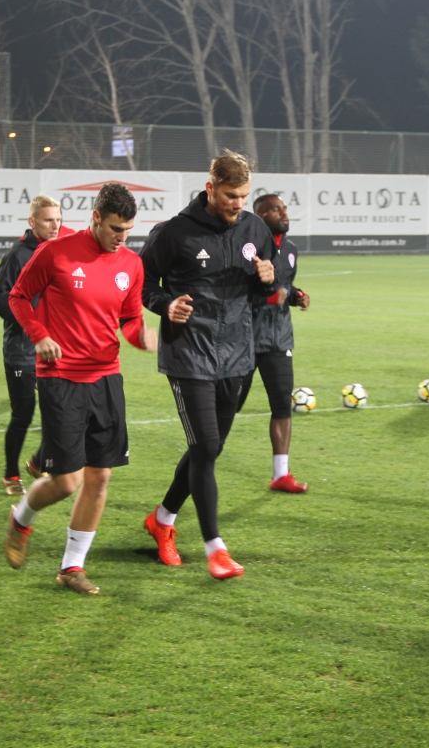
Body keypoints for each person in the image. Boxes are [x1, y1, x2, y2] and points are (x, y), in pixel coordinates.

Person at [2, 183, 154, 595]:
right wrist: (38, 335)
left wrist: (142, 336)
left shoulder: (132, 264)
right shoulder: (55, 253)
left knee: (100, 477)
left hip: (107, 378)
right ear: (96, 218)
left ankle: (72, 567)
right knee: (66, 481)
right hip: (61, 378)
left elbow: (129, 318)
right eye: (115, 228)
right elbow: (18, 297)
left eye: (128, 230)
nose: (122, 237)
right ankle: (20, 519)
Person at [140, 151, 277, 580]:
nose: (239, 204)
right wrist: (166, 304)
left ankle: (162, 520)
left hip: (237, 354)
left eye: (244, 196)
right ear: (210, 188)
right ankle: (215, 548)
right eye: (232, 196)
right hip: (188, 352)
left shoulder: (255, 229)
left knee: (210, 448)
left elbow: (263, 289)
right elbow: (143, 284)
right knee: (204, 446)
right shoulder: (173, 233)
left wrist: (268, 279)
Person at [0, 195, 68, 496]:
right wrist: (30, 320)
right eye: (48, 220)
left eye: (58, 219)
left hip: (54, 349)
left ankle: (38, 462)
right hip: (22, 350)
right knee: (23, 414)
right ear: (33, 222)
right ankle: (11, 475)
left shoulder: (61, 251)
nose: (54, 225)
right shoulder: (18, 255)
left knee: (62, 410)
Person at [235, 193, 311, 493]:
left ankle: (281, 474)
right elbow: (234, 292)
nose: (283, 213)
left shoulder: (290, 250)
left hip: (279, 338)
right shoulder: (246, 248)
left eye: (284, 208)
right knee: (228, 407)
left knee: (281, 404)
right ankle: (202, 463)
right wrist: (268, 298)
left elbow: (285, 288)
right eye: (275, 209)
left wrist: (296, 296)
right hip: (243, 339)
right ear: (260, 216)